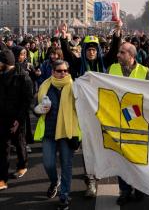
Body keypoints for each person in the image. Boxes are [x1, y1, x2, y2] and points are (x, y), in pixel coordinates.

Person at [60, 21, 122, 198]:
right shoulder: (78, 64)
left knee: (100, 145)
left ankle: (101, 171)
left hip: (102, 113)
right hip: (82, 113)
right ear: (84, 51)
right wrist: (64, 37)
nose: (91, 52)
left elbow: (114, 50)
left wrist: (117, 31)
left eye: (94, 49)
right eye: (88, 49)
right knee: (87, 146)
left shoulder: (105, 62)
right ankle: (91, 181)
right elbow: (67, 54)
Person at [108, 42, 149, 206]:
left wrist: (128, 114)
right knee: (122, 160)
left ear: (132, 56)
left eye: (122, 52)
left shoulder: (144, 71)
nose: (118, 55)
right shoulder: (112, 69)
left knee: (138, 159)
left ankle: (139, 188)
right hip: (117, 123)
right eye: (119, 52)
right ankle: (124, 191)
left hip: (138, 124)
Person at [34, 59, 81, 210]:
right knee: (48, 164)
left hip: (68, 133)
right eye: (59, 71)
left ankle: (64, 195)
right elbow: (34, 105)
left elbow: (82, 110)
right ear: (53, 72)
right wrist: (38, 109)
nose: (63, 73)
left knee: (66, 165)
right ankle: (55, 181)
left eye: (65, 71)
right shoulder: (44, 86)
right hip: (49, 132)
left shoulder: (75, 87)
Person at [0, 49, 33, 190]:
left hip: (17, 118)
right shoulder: (1, 75)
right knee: (3, 148)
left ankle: (22, 165)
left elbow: (27, 101)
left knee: (19, 143)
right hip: (2, 117)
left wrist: (18, 120)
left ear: (5, 62)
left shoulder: (23, 77)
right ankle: (2, 179)